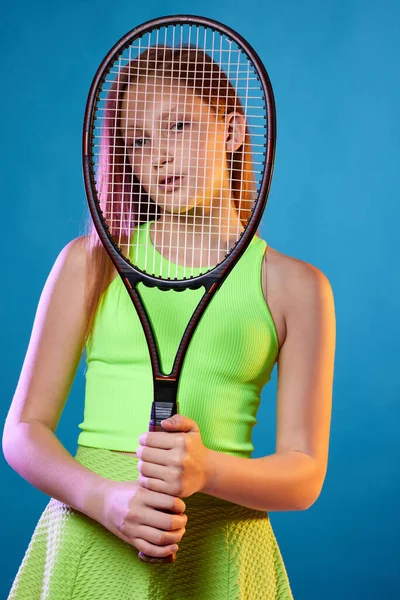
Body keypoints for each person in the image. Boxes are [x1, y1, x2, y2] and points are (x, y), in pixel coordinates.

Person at [3, 45, 336, 599]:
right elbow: (22, 432)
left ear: (232, 131)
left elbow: (303, 475)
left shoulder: (297, 288)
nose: (156, 155)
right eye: (137, 140)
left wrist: (208, 471)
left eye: (177, 125)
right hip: (90, 545)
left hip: (224, 556)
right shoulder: (89, 266)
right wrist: (106, 501)